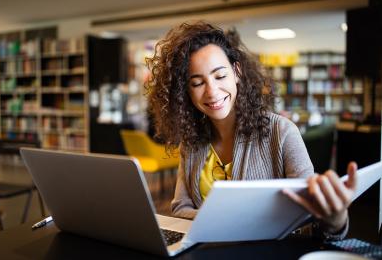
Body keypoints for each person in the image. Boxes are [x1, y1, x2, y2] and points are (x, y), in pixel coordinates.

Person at [146, 21, 357, 240]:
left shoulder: (281, 132)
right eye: (198, 83)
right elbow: (179, 209)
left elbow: (311, 219)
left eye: (220, 76)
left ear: (236, 72)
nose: (212, 92)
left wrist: (336, 220)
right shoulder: (191, 143)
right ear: (185, 91)